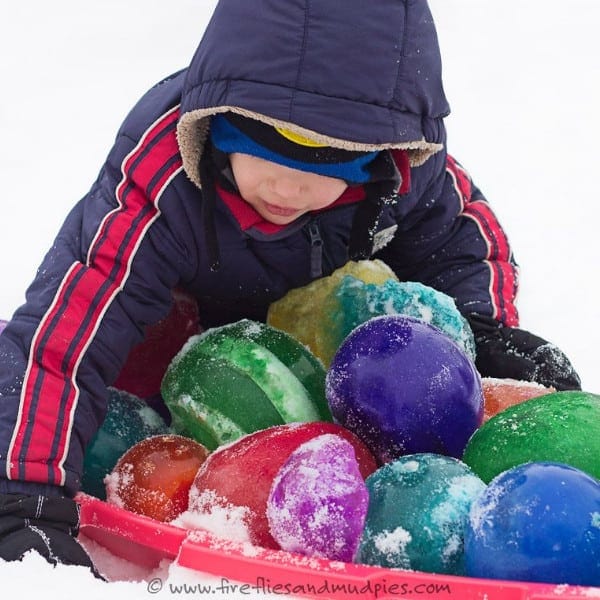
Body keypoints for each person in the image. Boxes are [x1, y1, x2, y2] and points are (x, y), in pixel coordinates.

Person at [0, 0, 580, 571]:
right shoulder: (162, 180)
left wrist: (482, 330)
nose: (290, 190)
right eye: (265, 151)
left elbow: (460, 232)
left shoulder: (400, 164)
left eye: (328, 167)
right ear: (218, 123)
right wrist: (22, 493)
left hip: (318, 340)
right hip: (177, 334)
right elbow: (67, 334)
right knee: (94, 361)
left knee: (400, 334)